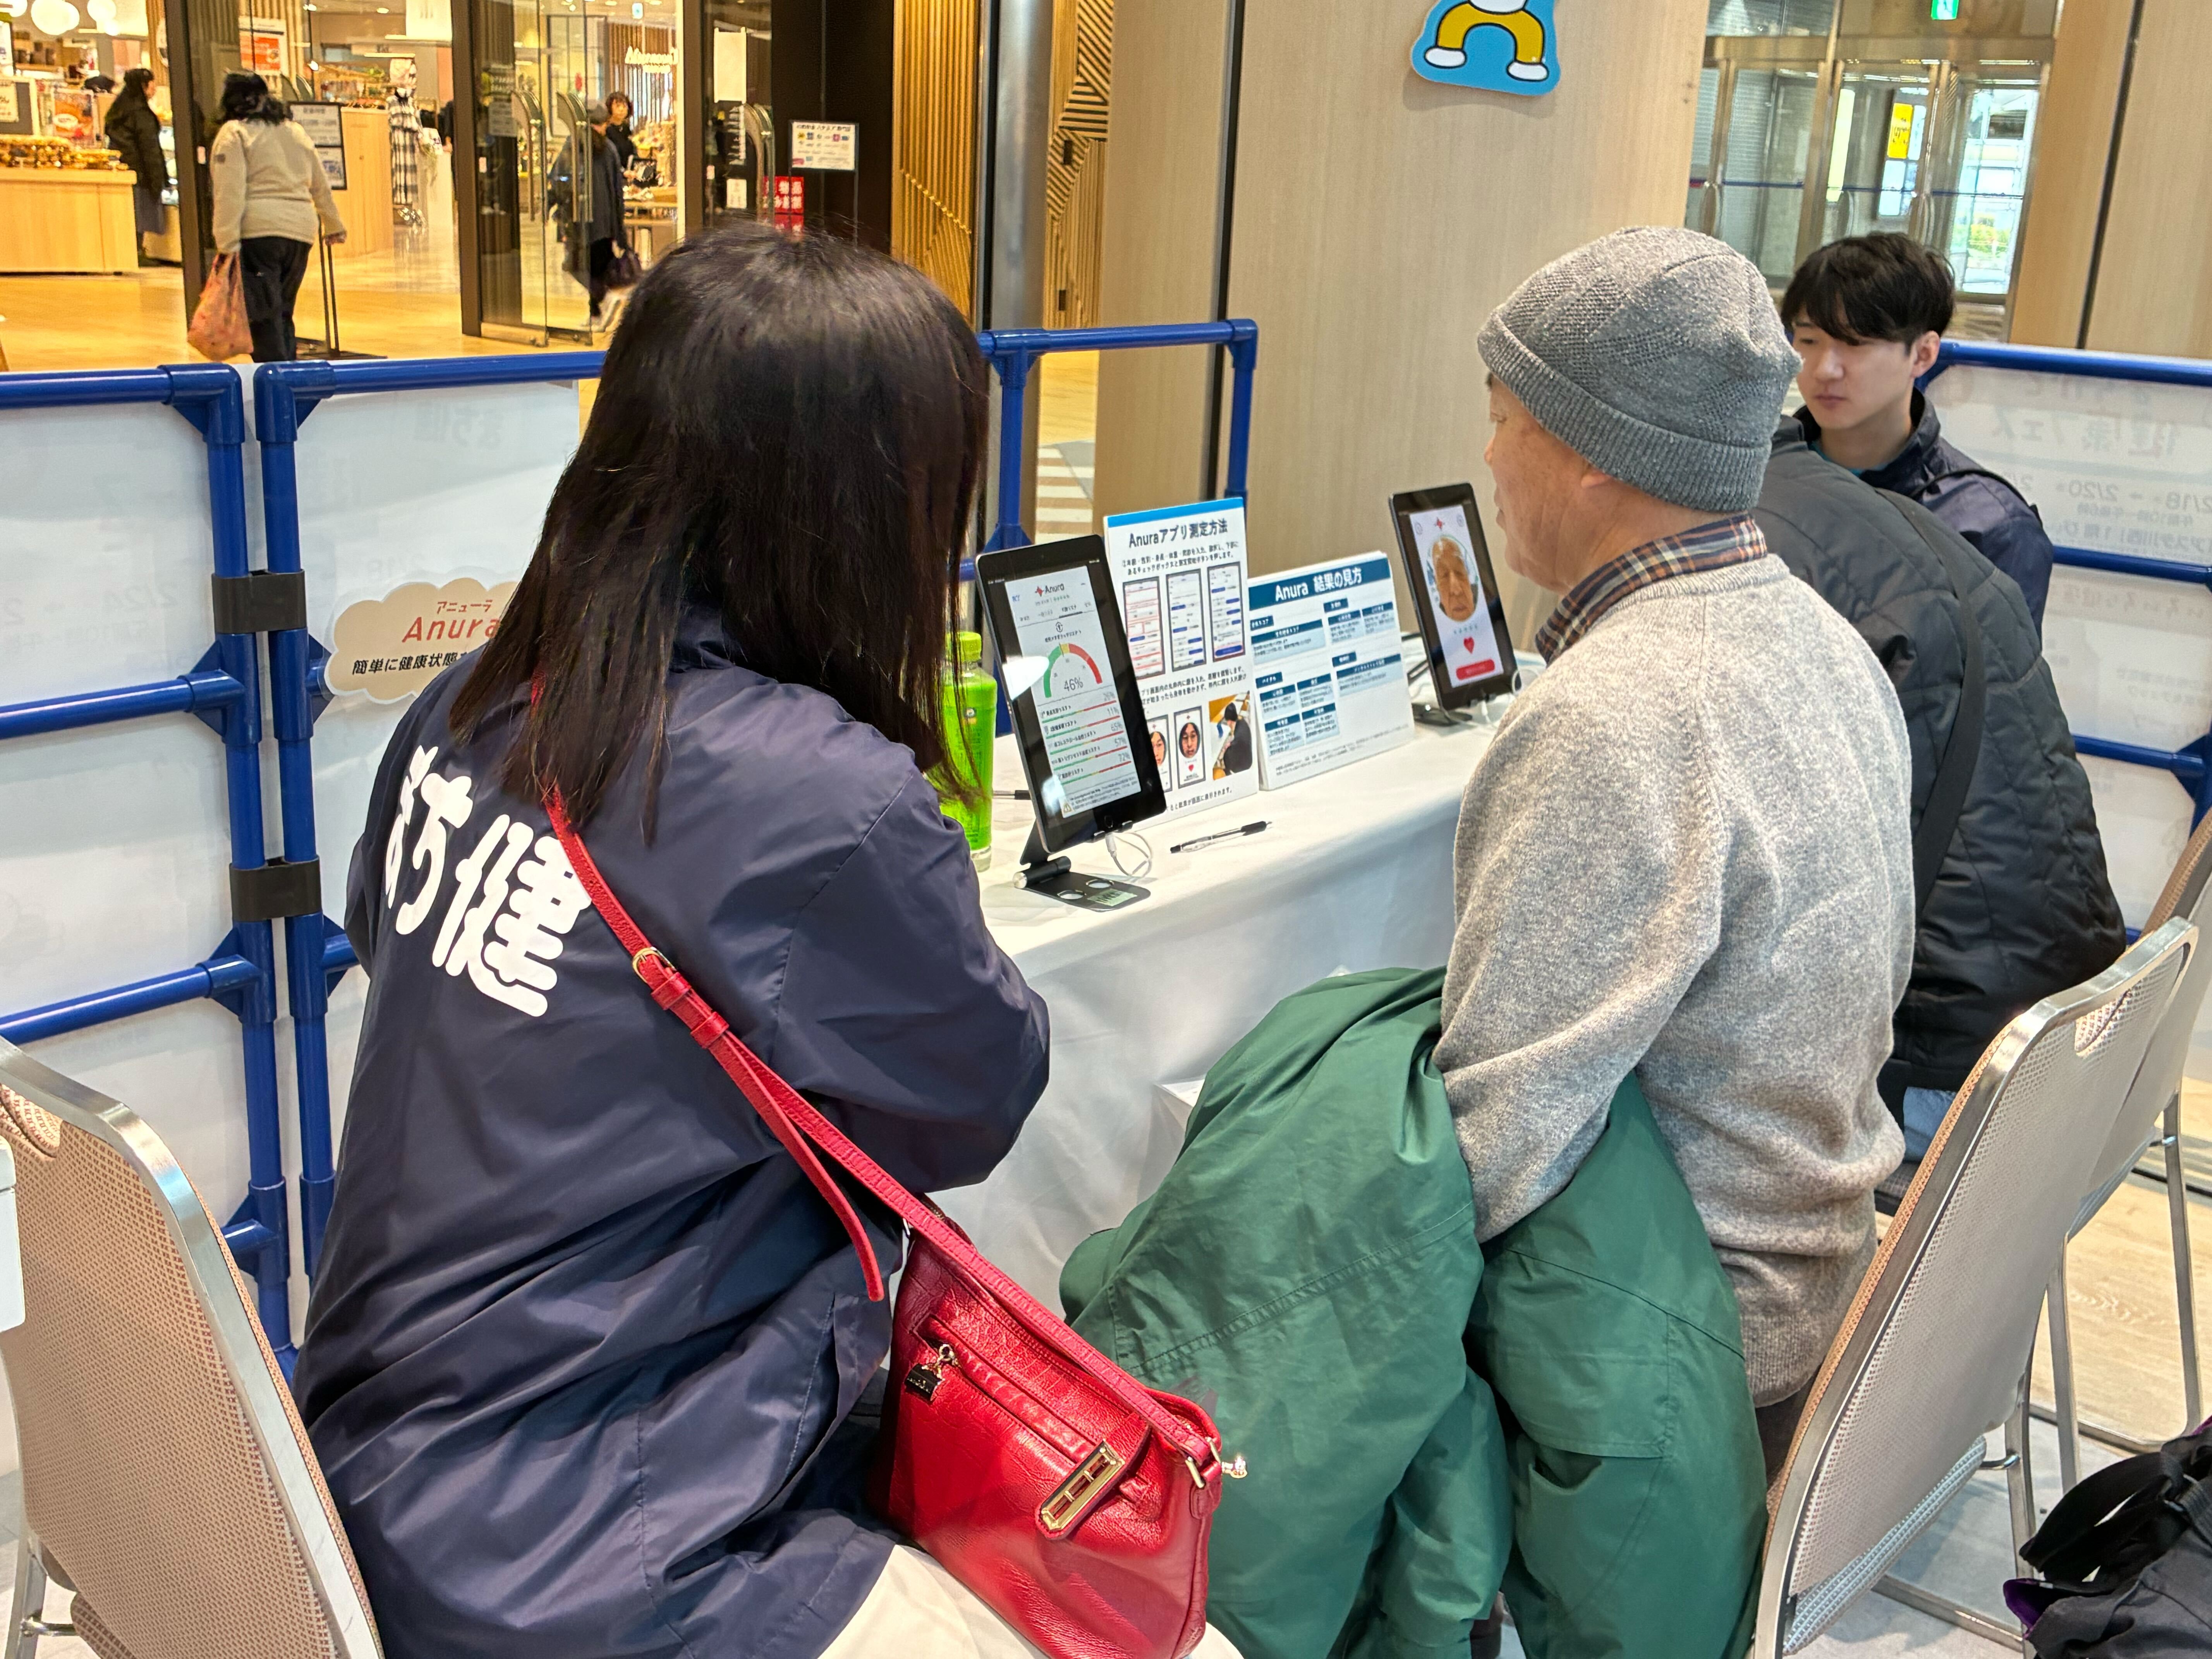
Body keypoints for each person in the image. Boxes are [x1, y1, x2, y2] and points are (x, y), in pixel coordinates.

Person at [294, 225, 1060, 1659]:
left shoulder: (473, 702)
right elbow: (976, 1099)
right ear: (865, 509)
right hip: (600, 1543)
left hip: (360, 1466)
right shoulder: (826, 799)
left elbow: (386, 946)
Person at [1440, 227, 1914, 1472]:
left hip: (1667, 1345)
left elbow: (1496, 1147)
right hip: (1822, 1287)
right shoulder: (1826, 644)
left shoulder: (1616, 713)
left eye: (1503, 419)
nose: (1488, 458)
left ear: (1593, 452)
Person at [1757, 422, 2124, 1160]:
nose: (1827, 371)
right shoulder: (1900, 522)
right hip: (2068, 1049)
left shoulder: (1750, 549)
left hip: (1950, 1083)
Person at [1783, 234, 2058, 630]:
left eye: (1856, 344)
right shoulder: (1757, 479)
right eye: (1809, 340)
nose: (1824, 369)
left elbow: (1998, 669)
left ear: (1923, 354)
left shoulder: (1987, 527)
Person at [208, 72, 344, 364]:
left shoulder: (234, 134)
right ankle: (289, 371)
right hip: (300, 233)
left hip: (258, 233)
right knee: (283, 310)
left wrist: (226, 244)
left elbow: (230, 193)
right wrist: (333, 223)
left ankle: (275, 378)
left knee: (262, 317)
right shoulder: (294, 131)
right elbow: (319, 182)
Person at [552, 101, 631, 330]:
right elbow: (617, 191)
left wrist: (554, 206)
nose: (605, 129)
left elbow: (558, 179)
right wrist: (618, 225)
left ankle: (599, 307)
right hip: (604, 221)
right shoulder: (608, 149)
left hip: (581, 219)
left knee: (580, 265)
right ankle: (600, 307)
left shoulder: (573, 147)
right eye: (604, 124)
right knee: (596, 266)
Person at [104, 67, 167, 265]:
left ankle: (130, 251)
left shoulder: (119, 109)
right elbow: (149, 148)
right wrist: (158, 178)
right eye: (152, 83)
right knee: (140, 213)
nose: (154, 88)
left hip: (122, 170)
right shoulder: (141, 114)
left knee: (128, 213)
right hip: (140, 171)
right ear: (143, 86)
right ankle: (137, 252)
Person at [604, 89, 640, 173]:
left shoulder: (626, 128)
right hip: (614, 173)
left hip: (629, 173)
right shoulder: (607, 130)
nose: (622, 109)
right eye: (618, 106)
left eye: (624, 106)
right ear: (610, 108)